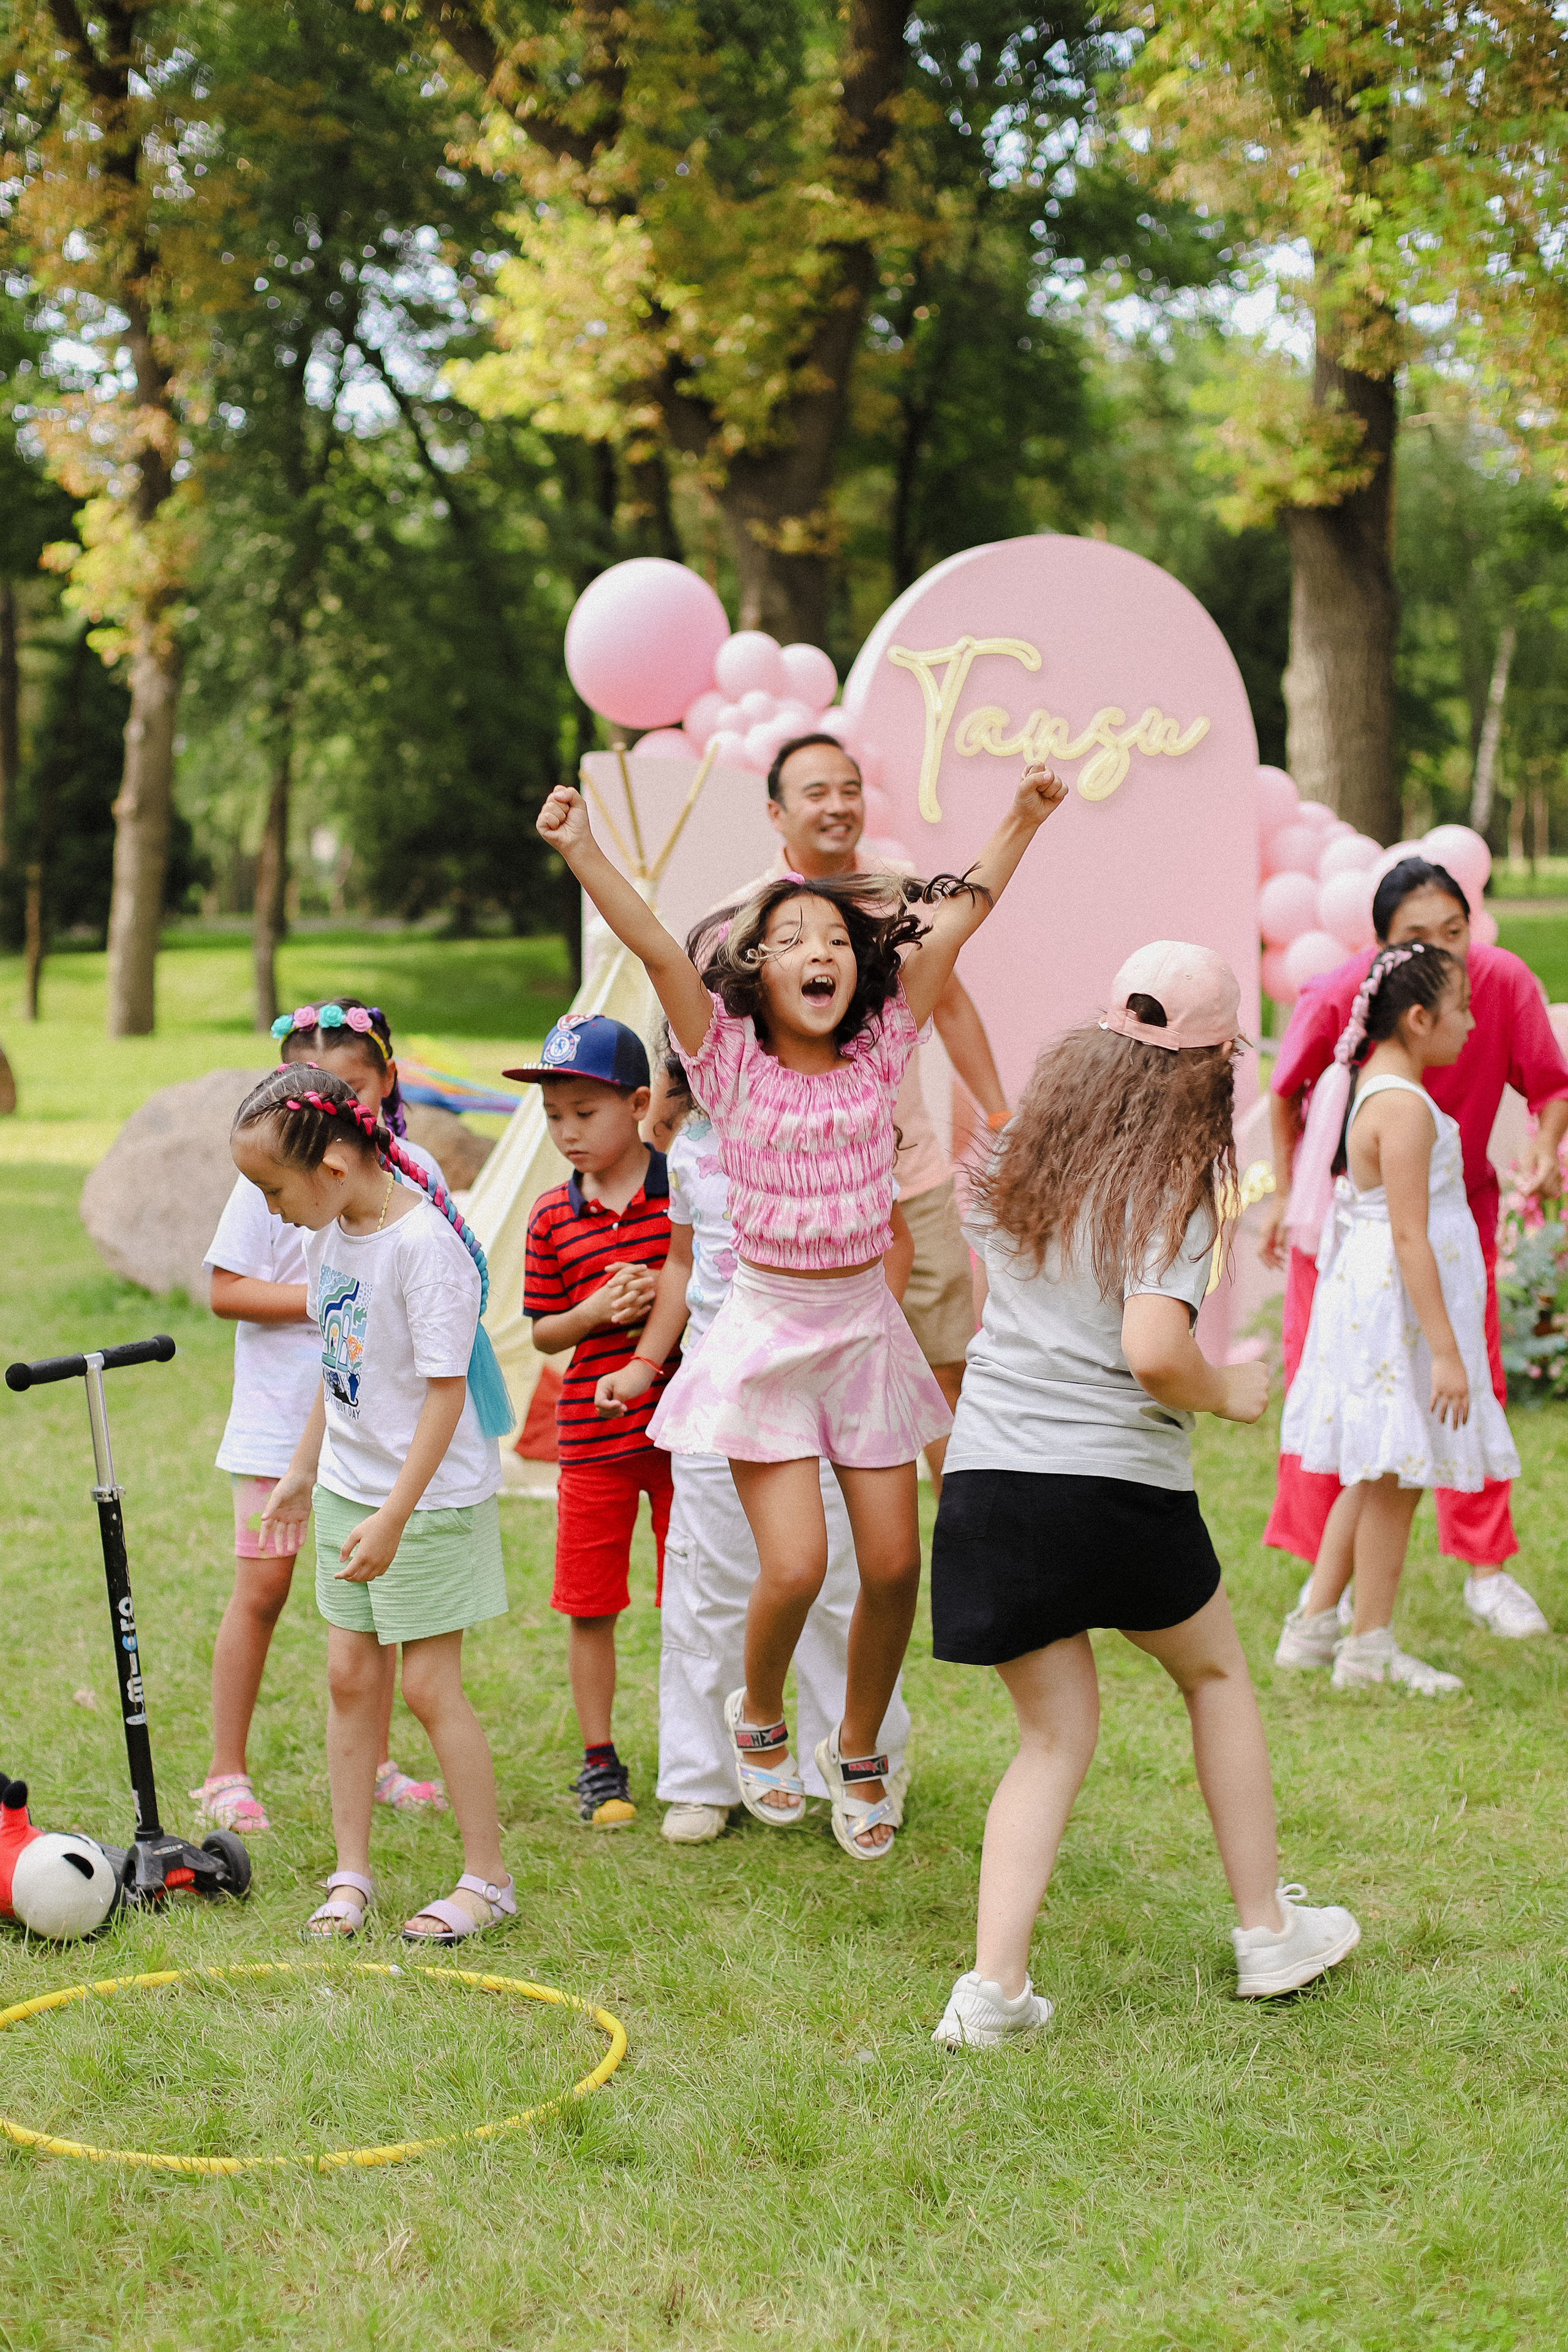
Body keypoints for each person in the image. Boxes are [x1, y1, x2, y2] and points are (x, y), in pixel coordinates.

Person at [538, 759, 1065, 1861]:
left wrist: (1020, 818)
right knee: (793, 1568)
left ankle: (858, 1746)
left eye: (835, 940)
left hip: (861, 1337)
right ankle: (760, 1713)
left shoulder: (878, 1057)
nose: (819, 953)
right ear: (752, 973)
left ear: (858, 969)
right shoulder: (725, 1065)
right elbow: (647, 943)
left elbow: (956, 924)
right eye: (792, 942)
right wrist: (582, 851)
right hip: (769, 1335)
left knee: (890, 1566)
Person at [930, 943, 1360, 2048]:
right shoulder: (1172, 1181)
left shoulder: (1018, 1152)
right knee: (1214, 1672)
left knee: (1052, 1733)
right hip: (1112, 1487)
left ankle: (993, 1995)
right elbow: (1154, 1351)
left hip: (990, 1483)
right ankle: (1269, 1935)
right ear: (1211, 1066)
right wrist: (1232, 1394)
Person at [598, 1026, 913, 1843]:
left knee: (843, 1574)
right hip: (723, 1383)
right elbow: (680, 1267)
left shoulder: (843, 1114)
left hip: (830, 1377)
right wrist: (644, 1362)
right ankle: (704, 1777)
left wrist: (871, 1335)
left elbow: (894, 1243)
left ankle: (854, 1760)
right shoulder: (694, 1148)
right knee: (711, 1580)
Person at [231, 1063, 514, 1944]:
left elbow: (443, 1398)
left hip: (423, 1503)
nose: (272, 1209)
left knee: (428, 1687)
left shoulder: (422, 1249)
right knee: (350, 1678)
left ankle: (489, 1881)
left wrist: (394, 1515)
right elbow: (337, 1364)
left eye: (275, 1189)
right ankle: (350, 1872)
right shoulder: (332, 1236)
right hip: (355, 1489)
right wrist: (304, 1467)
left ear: (336, 1167)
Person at [1260, 859, 1568, 1635]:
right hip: (1375, 1240)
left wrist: (1541, 1146)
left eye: (1456, 935)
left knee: (1403, 1431)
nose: (1445, 957)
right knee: (1372, 1434)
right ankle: (1347, 1622)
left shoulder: (1495, 984)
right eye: (1419, 940)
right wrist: (1284, 1198)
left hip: (1435, 1233)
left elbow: (1549, 1084)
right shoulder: (1369, 1036)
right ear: (1384, 957)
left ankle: (1375, 1603)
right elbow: (1290, 1095)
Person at [726, 733, 1014, 1491]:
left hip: (911, 1181)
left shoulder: (900, 894)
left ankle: (964, 1548)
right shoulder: (756, 916)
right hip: (811, 1211)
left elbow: (948, 1001)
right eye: (816, 792)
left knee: (945, 1369)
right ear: (776, 813)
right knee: (816, 1398)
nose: (837, 805)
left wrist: (994, 1115)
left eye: (848, 788)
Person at [196, 998, 448, 1834]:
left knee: (366, 1601)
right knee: (263, 1585)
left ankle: (373, 1761)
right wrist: (332, 1299)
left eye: (355, 1087)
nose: (342, 1106)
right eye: (316, 1089)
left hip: (372, 1430)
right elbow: (226, 1290)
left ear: (386, 1084)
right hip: (280, 1423)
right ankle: (224, 1772)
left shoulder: (410, 1175)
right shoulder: (271, 1182)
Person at [1276, 946, 1520, 1693]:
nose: (1474, 1025)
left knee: (1379, 1464)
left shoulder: (1379, 1087)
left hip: (1383, 1301)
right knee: (1397, 1472)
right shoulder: (1403, 1108)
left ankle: (1316, 1623)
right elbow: (1410, 1235)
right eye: (1464, 1008)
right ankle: (1368, 1646)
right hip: (1401, 1315)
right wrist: (1448, 1352)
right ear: (1419, 1019)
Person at [512, 1015, 676, 1829]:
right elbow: (542, 1329)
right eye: (554, 1117)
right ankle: (600, 1759)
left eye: (585, 1112)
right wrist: (595, 1311)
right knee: (590, 1603)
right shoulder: (550, 1217)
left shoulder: (682, 1193)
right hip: (592, 1439)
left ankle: (697, 1754)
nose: (566, 1132)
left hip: (683, 1432)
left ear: (639, 1104)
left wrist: (659, 1303)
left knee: (692, 1596)